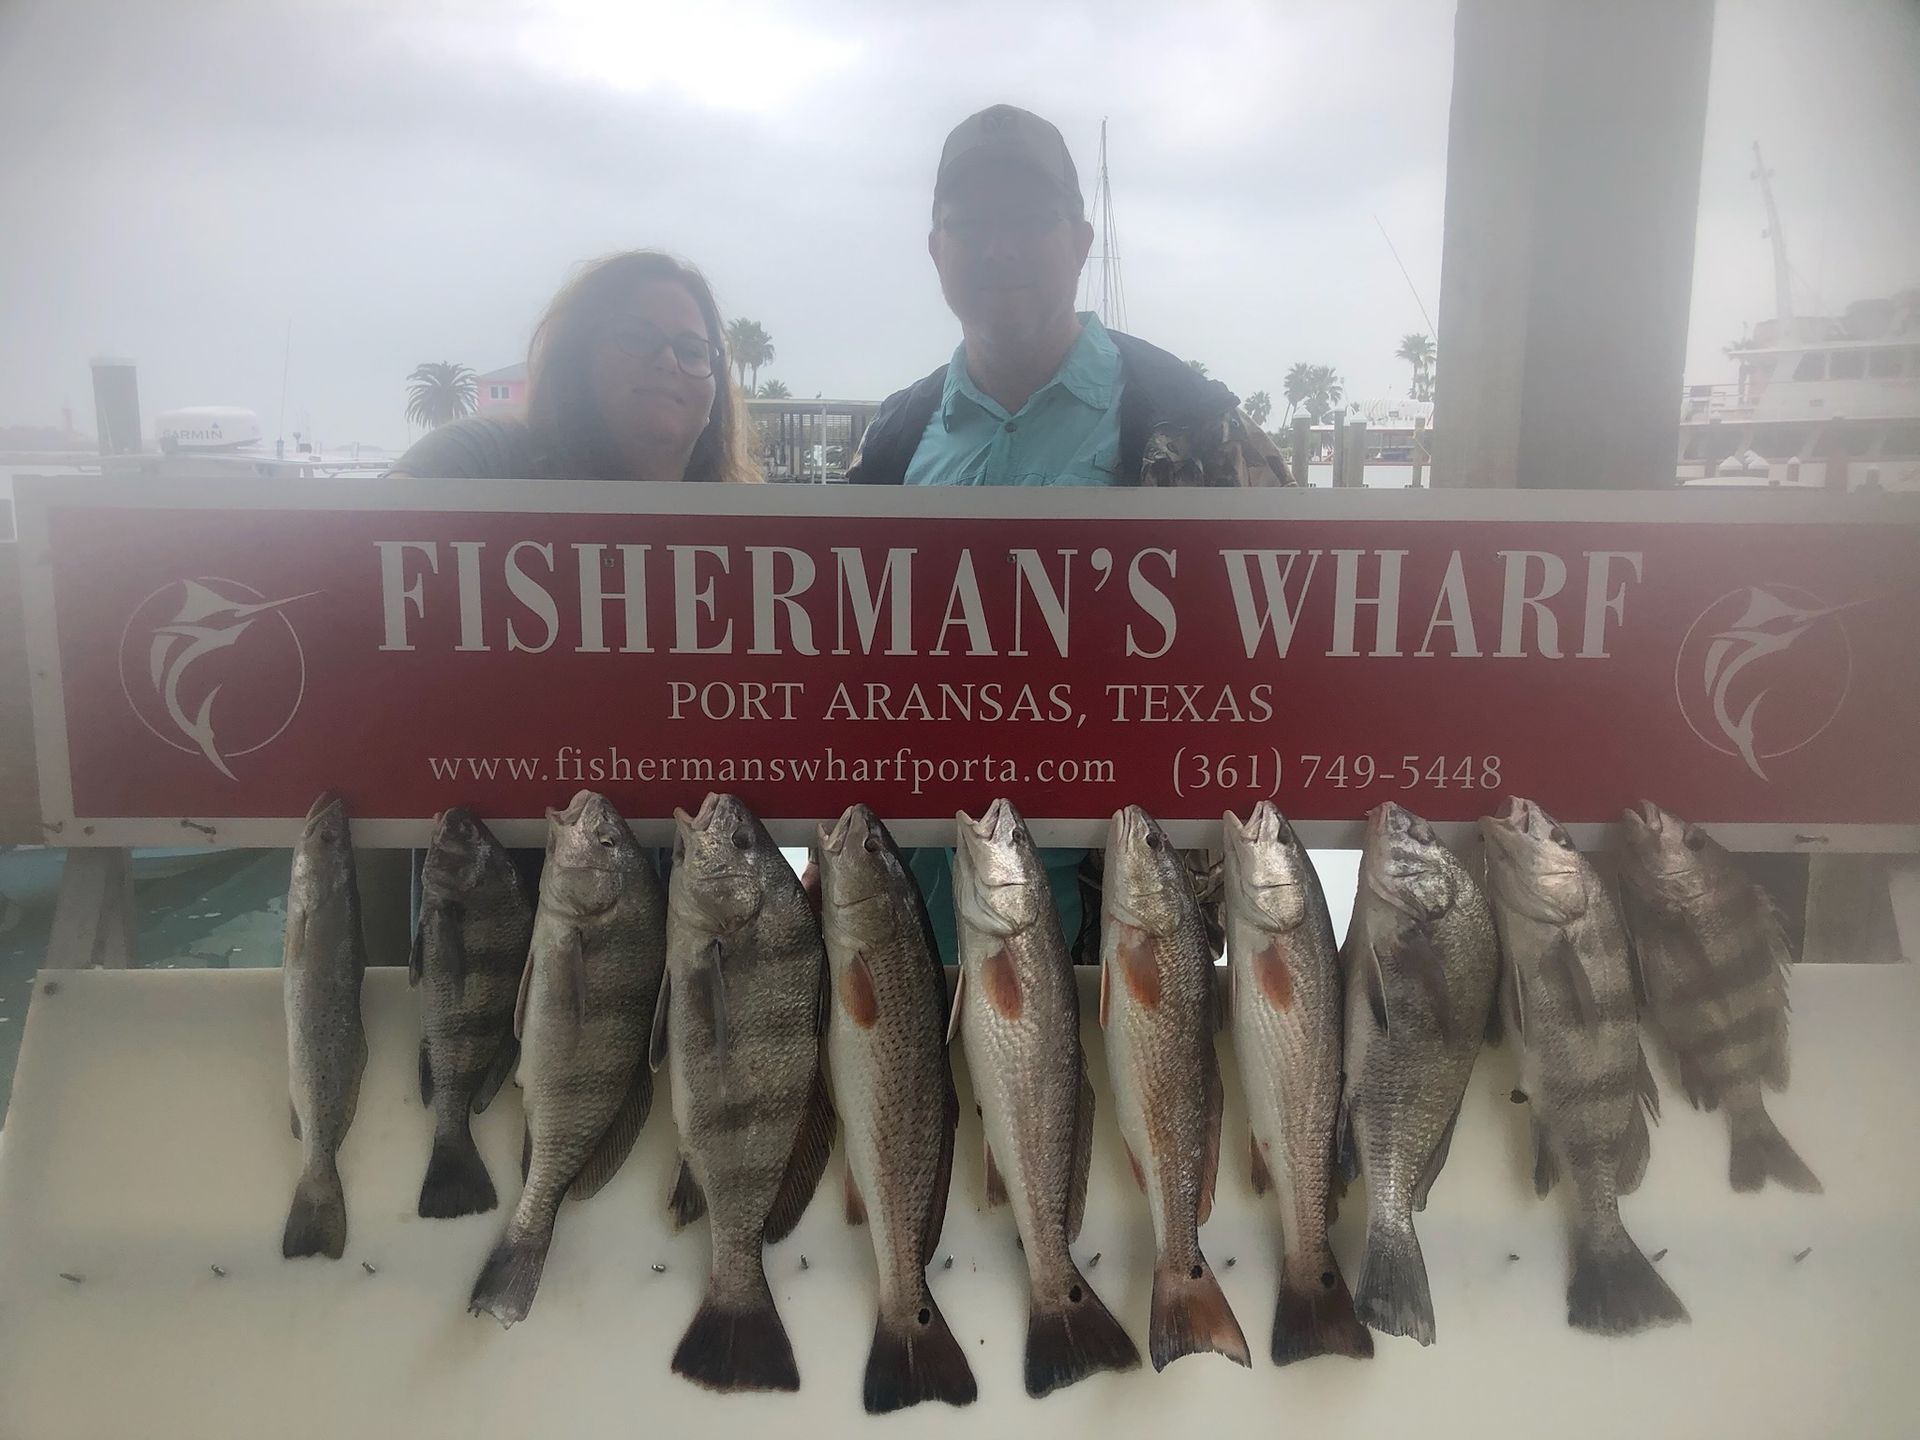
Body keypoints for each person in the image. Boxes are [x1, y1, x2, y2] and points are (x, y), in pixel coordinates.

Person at [848, 104, 1281, 959]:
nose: (998, 246)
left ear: (1080, 242)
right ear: (934, 250)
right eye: (970, 225)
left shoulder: (1197, 427)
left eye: (1029, 220)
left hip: (1130, 953)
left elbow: (1286, 674)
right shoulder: (891, 441)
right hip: (911, 940)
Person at [389, 249, 761, 484]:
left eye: (692, 351)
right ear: (576, 358)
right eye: (636, 337)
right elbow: (367, 549)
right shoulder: (482, 455)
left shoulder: (756, 531)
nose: (667, 360)